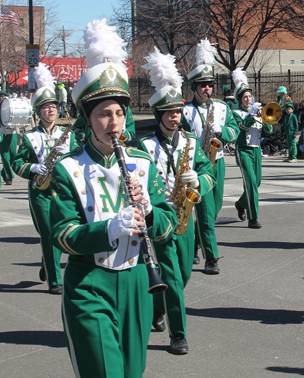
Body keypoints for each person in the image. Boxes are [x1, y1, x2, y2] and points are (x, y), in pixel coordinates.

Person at [49, 19, 178, 377]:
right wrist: (108, 229)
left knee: (131, 372)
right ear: (88, 120)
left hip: (138, 280)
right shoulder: (68, 169)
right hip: (90, 282)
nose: (114, 123)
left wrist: (151, 211)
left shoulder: (141, 163)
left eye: (120, 112)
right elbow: (62, 234)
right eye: (104, 114)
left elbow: (167, 227)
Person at [138, 47, 215, 354]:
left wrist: (199, 181)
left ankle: (159, 306)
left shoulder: (191, 141)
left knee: (182, 275)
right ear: (159, 115)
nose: (175, 116)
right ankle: (178, 334)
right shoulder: (144, 146)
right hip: (160, 214)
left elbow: (208, 172)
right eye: (169, 113)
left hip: (186, 212)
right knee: (170, 272)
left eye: (178, 111)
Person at [12, 63, 78, 294]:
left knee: (60, 232)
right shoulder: (30, 137)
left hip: (62, 190)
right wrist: (33, 167)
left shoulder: (66, 135)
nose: (50, 111)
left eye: (53, 107)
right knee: (48, 232)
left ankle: (46, 261)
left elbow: (80, 159)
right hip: (40, 191)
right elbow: (16, 164)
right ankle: (54, 281)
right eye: (45, 108)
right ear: (38, 112)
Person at [181, 38, 239, 273]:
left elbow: (234, 132)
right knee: (204, 212)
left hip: (220, 163)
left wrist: (221, 131)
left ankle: (196, 244)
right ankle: (211, 258)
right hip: (199, 165)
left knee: (212, 212)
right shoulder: (186, 111)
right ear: (194, 87)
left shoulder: (223, 108)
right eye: (203, 85)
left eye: (210, 85)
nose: (207, 89)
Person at [231, 68, 273, 229]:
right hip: (243, 150)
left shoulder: (257, 111)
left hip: (256, 150)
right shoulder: (236, 113)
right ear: (240, 100)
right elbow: (241, 127)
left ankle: (240, 204)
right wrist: (252, 115)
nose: (248, 99)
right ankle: (253, 217)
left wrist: (266, 119)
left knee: (257, 182)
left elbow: (267, 132)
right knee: (250, 183)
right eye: (245, 97)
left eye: (249, 96)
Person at [0, 90, 17, 187]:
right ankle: (10, 177)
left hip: (12, 133)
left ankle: (3, 171)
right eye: (0, 96)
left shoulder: (11, 107)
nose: (2, 98)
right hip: (2, 134)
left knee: (14, 156)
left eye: (3, 96)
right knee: (5, 157)